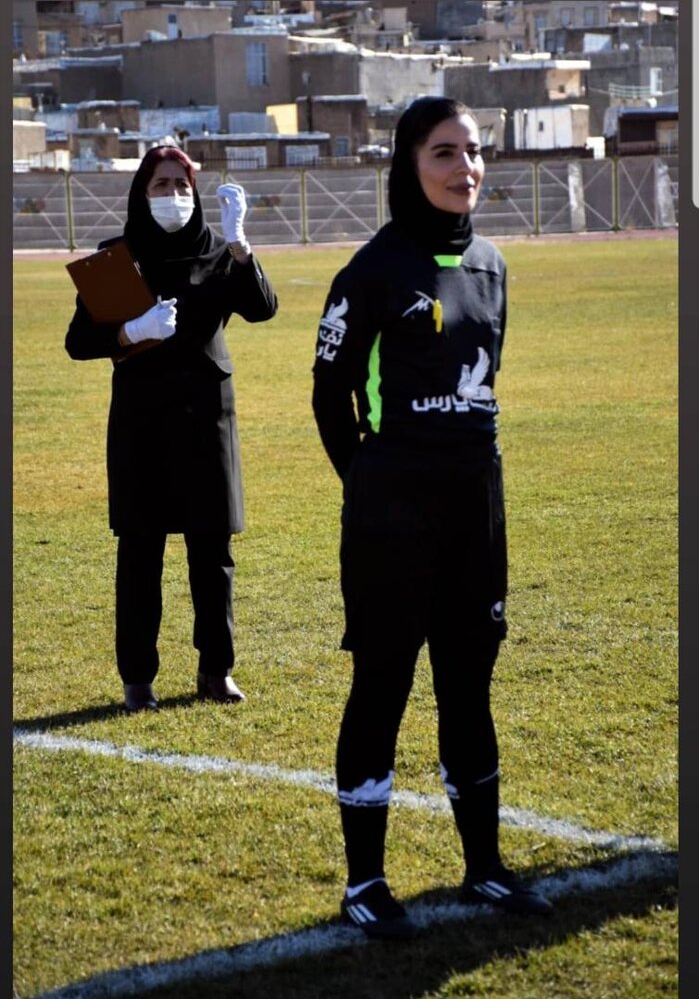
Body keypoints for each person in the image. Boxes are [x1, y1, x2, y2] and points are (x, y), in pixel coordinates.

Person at [312, 97, 553, 939]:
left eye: (473, 151)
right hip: (393, 511)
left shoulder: (491, 263)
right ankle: (365, 884)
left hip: (475, 503)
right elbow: (331, 395)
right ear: (408, 165)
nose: (465, 168)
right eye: (444, 152)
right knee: (382, 683)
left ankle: (483, 868)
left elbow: (482, 383)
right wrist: (369, 482)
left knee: (468, 684)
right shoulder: (372, 271)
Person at [65, 145, 278, 712]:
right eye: (161, 185)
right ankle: (138, 679)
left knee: (213, 552)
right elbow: (78, 342)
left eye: (182, 186)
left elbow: (262, 308)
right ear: (142, 193)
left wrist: (241, 245)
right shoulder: (116, 258)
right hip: (142, 422)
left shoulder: (219, 252)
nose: (173, 195)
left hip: (209, 418)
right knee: (141, 552)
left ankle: (216, 670)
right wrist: (131, 332)